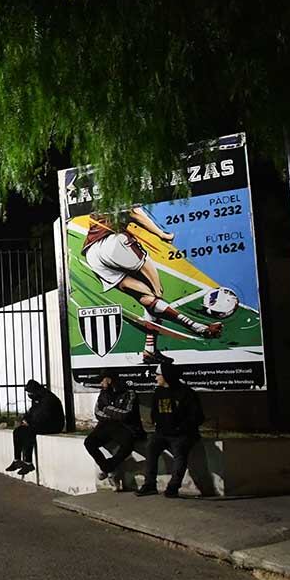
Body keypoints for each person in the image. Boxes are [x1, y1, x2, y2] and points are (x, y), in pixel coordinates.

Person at [81, 208, 222, 364]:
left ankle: (150, 350)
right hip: (115, 244)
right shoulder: (122, 195)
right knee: (156, 292)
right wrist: (163, 235)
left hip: (93, 254)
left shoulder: (100, 201)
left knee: (147, 299)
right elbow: (135, 214)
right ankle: (199, 328)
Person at [136, 363, 205, 498]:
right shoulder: (159, 392)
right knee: (150, 447)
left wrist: (180, 428)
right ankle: (150, 485)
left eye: (158, 375)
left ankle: (173, 487)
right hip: (162, 432)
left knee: (180, 454)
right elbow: (155, 411)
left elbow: (197, 417)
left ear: (166, 376)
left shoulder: (186, 393)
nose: (156, 378)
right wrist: (157, 424)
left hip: (181, 434)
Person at [83, 372, 145, 487]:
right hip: (106, 425)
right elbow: (97, 412)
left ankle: (109, 466)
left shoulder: (129, 393)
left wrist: (107, 409)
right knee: (89, 442)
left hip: (125, 427)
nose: (101, 384)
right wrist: (113, 414)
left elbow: (126, 414)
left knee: (127, 445)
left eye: (102, 380)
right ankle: (107, 467)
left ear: (109, 379)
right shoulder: (103, 393)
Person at [7, 380, 65, 476]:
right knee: (17, 431)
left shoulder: (48, 398)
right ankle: (17, 460)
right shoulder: (37, 397)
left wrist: (29, 423)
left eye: (30, 392)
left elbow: (44, 416)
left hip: (54, 425)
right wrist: (25, 419)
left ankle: (28, 463)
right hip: (41, 423)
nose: (29, 395)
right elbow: (32, 412)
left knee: (28, 432)